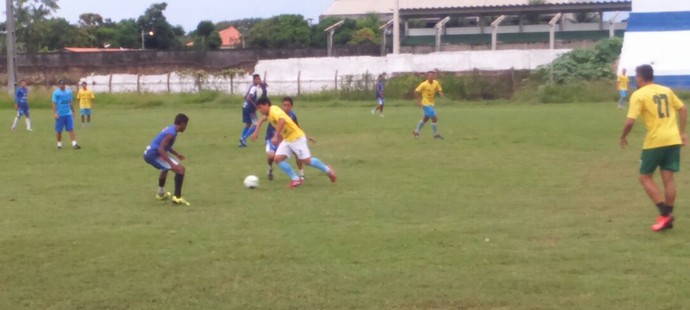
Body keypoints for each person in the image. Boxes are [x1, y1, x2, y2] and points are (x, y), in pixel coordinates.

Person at [619, 64, 687, 232]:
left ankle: (665, 213)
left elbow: (630, 121)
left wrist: (623, 136)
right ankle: (667, 218)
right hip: (673, 139)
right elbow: (683, 108)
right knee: (668, 179)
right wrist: (682, 133)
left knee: (645, 177)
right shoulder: (666, 90)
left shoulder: (639, 95)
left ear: (640, 78)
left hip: (655, 141)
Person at [250, 96, 335, 188]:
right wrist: (256, 132)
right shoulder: (269, 113)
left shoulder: (273, 110)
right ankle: (295, 179)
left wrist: (275, 135)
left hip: (296, 138)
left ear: (266, 105)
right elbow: (262, 119)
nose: (259, 110)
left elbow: (282, 120)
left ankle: (328, 170)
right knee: (277, 159)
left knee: (307, 161)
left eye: (260, 107)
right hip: (288, 139)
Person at [143, 113, 191, 206]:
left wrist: (177, 154)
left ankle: (160, 194)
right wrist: (172, 164)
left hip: (150, 153)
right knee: (180, 169)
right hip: (153, 154)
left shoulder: (171, 129)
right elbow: (161, 149)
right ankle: (177, 198)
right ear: (182, 124)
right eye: (186, 125)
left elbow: (166, 146)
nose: (186, 127)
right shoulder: (171, 134)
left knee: (165, 168)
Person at [265, 96, 309, 181]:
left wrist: (305, 135)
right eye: (284, 105)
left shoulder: (292, 115)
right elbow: (263, 118)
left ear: (291, 106)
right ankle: (270, 168)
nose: (285, 107)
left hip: (286, 139)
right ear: (281, 106)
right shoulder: (275, 112)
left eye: (288, 105)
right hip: (272, 138)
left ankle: (301, 175)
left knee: (297, 153)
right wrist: (256, 129)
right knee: (271, 156)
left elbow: (296, 127)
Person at [413, 71, 444, 139]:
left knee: (425, 119)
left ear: (434, 76)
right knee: (434, 118)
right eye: (429, 76)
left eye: (432, 75)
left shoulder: (436, 83)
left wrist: (440, 92)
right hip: (425, 103)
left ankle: (416, 131)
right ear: (427, 77)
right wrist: (418, 101)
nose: (431, 77)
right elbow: (416, 91)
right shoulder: (424, 84)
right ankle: (435, 134)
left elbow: (438, 88)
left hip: (431, 103)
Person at [52, 80, 81, 150]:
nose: (62, 85)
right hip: (60, 114)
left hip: (67, 114)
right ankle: (59, 144)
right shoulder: (56, 93)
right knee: (59, 130)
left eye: (64, 84)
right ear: (59, 85)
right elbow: (53, 103)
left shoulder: (68, 92)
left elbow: (70, 102)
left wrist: (73, 111)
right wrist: (55, 113)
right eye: (61, 84)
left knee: (71, 129)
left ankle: (74, 144)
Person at [238, 74, 262, 147]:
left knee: (248, 124)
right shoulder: (254, 87)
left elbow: (245, 97)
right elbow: (249, 97)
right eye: (257, 79)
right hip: (249, 108)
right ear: (254, 80)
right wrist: (255, 105)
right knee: (256, 125)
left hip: (244, 106)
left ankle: (242, 142)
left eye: (259, 79)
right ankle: (243, 138)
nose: (258, 80)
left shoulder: (250, 86)